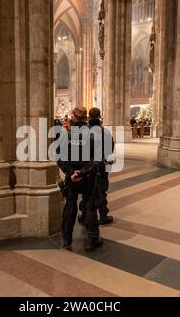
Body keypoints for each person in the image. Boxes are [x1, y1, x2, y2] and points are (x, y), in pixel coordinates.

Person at [56, 107, 103, 251]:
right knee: (89, 206)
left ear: (73, 116)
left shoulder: (65, 135)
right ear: (86, 118)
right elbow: (97, 159)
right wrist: (82, 172)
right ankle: (92, 239)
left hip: (71, 178)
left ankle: (66, 239)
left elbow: (59, 156)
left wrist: (70, 173)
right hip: (88, 177)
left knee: (70, 205)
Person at [78, 107, 114, 225]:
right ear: (100, 116)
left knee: (86, 191)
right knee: (101, 190)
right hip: (101, 166)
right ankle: (103, 215)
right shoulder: (105, 132)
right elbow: (110, 150)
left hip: (87, 167)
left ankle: (84, 215)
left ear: (89, 117)